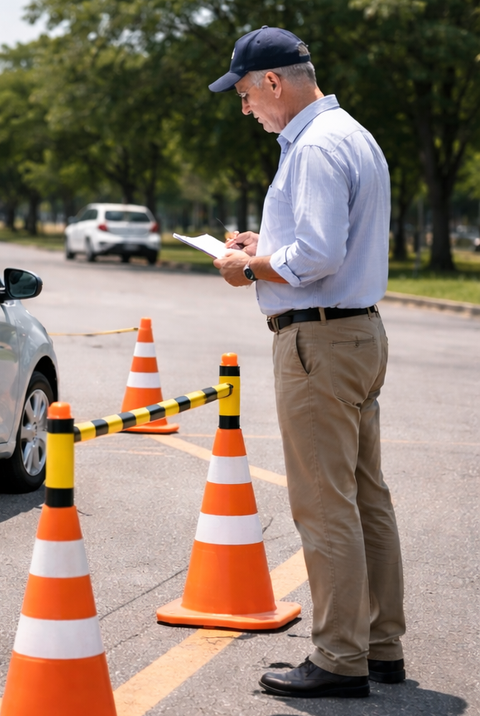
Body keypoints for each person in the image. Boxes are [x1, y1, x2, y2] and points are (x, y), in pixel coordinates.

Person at [207, 26, 406, 699]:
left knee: (325, 505)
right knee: (366, 496)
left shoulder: (313, 147)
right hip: (357, 333)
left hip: (318, 341)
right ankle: (380, 644)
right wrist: (270, 244)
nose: (246, 111)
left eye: (244, 95)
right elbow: (327, 245)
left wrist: (246, 265)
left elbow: (316, 258)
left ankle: (339, 656)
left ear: (273, 81)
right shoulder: (351, 133)